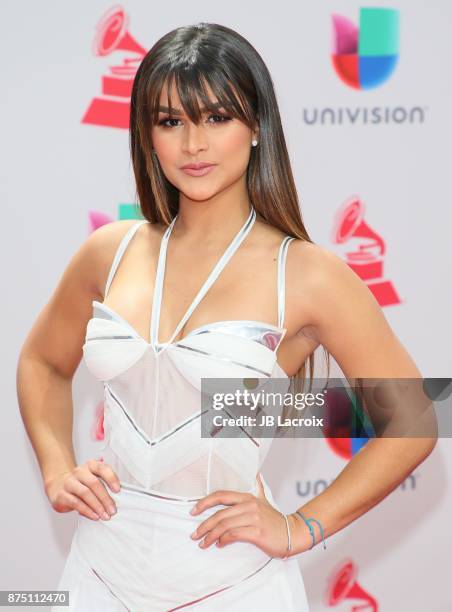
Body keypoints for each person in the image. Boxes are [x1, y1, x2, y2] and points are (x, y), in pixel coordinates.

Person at [16, 22, 436, 611]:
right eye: (171, 121)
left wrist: (299, 528)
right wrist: (58, 469)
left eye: (216, 117)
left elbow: (415, 418)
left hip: (231, 583)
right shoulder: (108, 252)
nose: (193, 144)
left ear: (257, 126)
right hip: (98, 574)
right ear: (147, 135)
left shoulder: (308, 275)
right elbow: (40, 361)